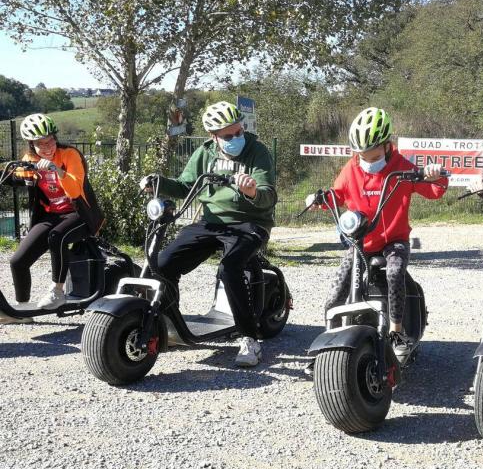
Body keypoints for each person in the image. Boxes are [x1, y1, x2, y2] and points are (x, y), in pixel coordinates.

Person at [140, 100, 277, 367]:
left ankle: (250, 338)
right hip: (211, 222)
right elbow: (185, 186)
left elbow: (268, 195)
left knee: (230, 268)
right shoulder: (204, 153)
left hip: (251, 223)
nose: (237, 138)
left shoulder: (257, 152)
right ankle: (171, 326)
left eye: (240, 131)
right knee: (162, 263)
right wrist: (158, 182)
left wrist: (252, 191)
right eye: (229, 135)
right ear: (213, 136)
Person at [307, 106, 448, 363]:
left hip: (394, 240)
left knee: (395, 273)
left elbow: (434, 191)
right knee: (337, 288)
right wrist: (321, 198)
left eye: (373, 157)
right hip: (362, 240)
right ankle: (329, 343)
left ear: (387, 146)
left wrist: (435, 176)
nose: (367, 163)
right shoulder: (351, 169)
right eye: (362, 156)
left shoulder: (402, 167)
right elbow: (337, 193)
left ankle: (396, 332)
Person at [1, 113, 104, 318]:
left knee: (57, 236)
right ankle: (21, 310)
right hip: (51, 216)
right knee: (17, 261)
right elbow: (15, 177)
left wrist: (56, 169)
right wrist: (17, 175)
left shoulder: (70, 155)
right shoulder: (30, 159)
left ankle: (57, 291)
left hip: (80, 215)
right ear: (32, 145)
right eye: (41, 144)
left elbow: (75, 189)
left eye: (50, 141)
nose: (48, 147)